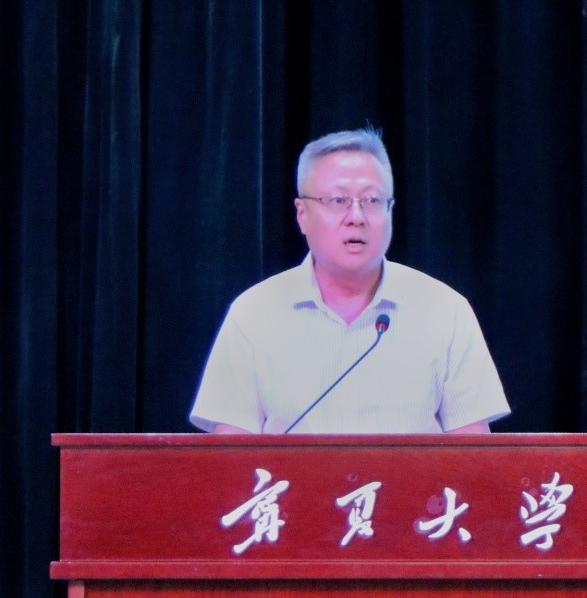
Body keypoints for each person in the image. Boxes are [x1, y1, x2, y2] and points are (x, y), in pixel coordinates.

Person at [190, 127, 509, 434]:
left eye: (372, 200)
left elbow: (472, 455)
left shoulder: (446, 310)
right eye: (338, 200)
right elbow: (229, 456)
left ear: (390, 210)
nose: (356, 217)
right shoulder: (253, 313)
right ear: (302, 215)